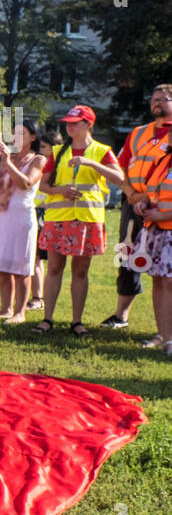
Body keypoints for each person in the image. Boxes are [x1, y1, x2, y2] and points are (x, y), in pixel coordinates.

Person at [33, 105, 125, 337]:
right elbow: (43, 185)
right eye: (68, 122)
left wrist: (91, 164)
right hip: (58, 218)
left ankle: (77, 321)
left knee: (80, 272)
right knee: (54, 268)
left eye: (75, 122)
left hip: (87, 220)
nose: (69, 126)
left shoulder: (102, 151)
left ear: (88, 124)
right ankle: (47, 319)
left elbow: (119, 178)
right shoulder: (56, 152)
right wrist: (60, 190)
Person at [103, 84, 172, 330]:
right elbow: (119, 169)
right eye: (154, 99)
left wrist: (147, 197)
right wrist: (132, 194)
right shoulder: (138, 133)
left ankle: (163, 330)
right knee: (127, 256)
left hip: (164, 211)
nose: (157, 103)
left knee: (165, 271)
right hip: (133, 206)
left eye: (163, 99)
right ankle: (121, 315)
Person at [0, 120, 47, 324]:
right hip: (3, 217)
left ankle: (20, 312)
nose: (16, 137)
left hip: (22, 219)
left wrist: (8, 161)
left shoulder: (38, 160)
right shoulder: (6, 159)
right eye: (14, 133)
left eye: (22, 133)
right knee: (3, 266)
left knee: (22, 268)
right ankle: (5, 308)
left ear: (33, 137)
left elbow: (25, 182)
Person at [27, 128, 61, 310]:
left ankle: (38, 298)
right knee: (32, 258)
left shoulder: (55, 167)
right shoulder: (45, 164)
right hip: (37, 211)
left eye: (45, 147)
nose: (41, 150)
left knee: (37, 258)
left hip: (44, 213)